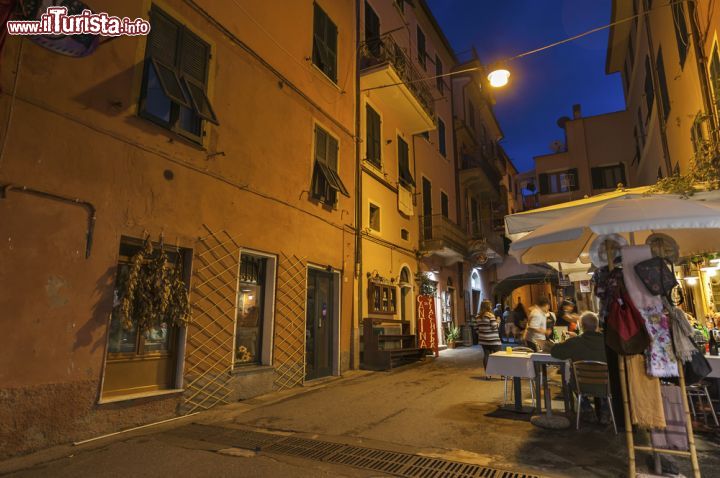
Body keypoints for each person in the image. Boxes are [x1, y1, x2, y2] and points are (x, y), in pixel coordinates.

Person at [476, 300, 502, 377]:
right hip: (493, 340)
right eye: (490, 305)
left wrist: (483, 334)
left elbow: (476, 329)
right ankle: (503, 374)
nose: (491, 306)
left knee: (486, 355)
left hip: (483, 340)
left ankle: (488, 374)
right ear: (488, 306)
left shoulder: (477, 317)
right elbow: (494, 327)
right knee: (500, 356)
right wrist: (498, 322)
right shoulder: (491, 315)